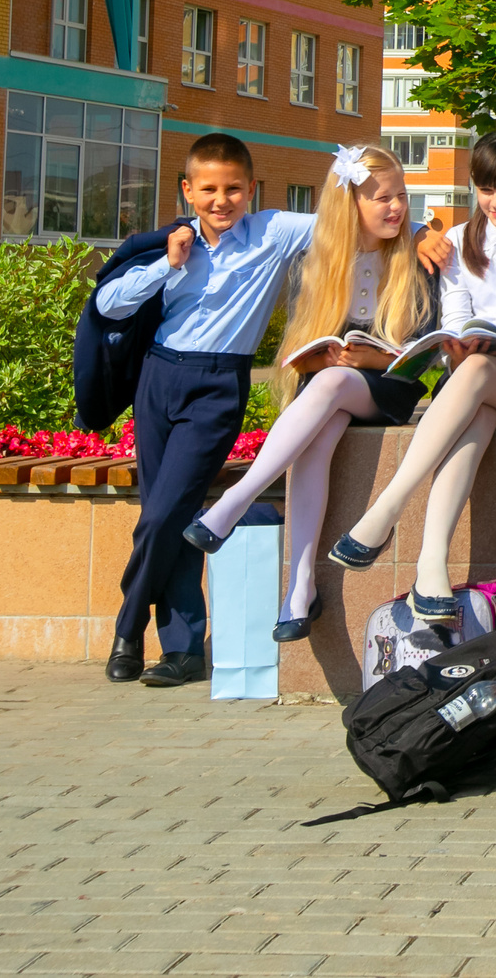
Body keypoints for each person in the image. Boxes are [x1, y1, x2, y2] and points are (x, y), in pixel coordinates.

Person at [185, 143, 435, 646]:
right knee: (316, 441)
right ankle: (299, 591)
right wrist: (317, 356)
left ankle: (236, 501)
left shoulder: (414, 255)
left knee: (333, 384)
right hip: (332, 387)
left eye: (401, 197)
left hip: (388, 388)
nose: (396, 208)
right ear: (352, 204)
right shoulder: (319, 256)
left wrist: (373, 359)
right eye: (382, 198)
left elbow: (428, 351)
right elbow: (307, 336)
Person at [326, 133, 496, 619]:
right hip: (471, 377)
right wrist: (456, 347)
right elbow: (456, 317)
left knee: (482, 371)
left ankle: (387, 509)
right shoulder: (460, 240)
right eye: (486, 190)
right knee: (476, 413)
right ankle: (431, 567)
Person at [95, 133, 304, 687]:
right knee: (170, 514)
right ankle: (183, 651)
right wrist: (167, 263)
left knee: (164, 515)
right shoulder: (171, 243)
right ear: (188, 190)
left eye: (233, 188)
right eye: (208, 189)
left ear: (251, 188)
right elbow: (108, 304)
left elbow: (350, 223)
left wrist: (423, 233)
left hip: (218, 385)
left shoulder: (274, 232)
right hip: (159, 379)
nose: (221, 200)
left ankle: (127, 624)